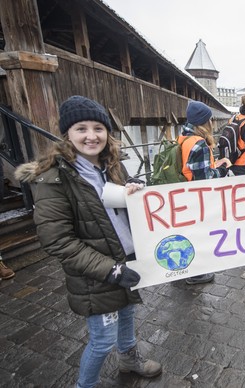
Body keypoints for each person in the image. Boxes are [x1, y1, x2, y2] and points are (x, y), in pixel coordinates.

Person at [15, 95, 162, 388]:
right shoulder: (53, 179)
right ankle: (85, 384)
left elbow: (126, 208)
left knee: (128, 312)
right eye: (82, 128)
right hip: (96, 274)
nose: (91, 136)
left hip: (125, 260)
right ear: (67, 134)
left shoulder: (112, 165)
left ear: (108, 133)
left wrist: (136, 191)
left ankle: (129, 359)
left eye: (98, 128)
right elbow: (57, 240)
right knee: (102, 339)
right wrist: (110, 270)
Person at [180, 101, 232, 285]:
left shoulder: (184, 138)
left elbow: (192, 169)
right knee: (198, 234)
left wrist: (213, 165)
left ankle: (182, 270)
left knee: (188, 233)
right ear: (204, 122)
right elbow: (206, 181)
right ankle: (196, 274)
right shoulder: (199, 144)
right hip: (196, 199)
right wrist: (223, 169)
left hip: (184, 196)